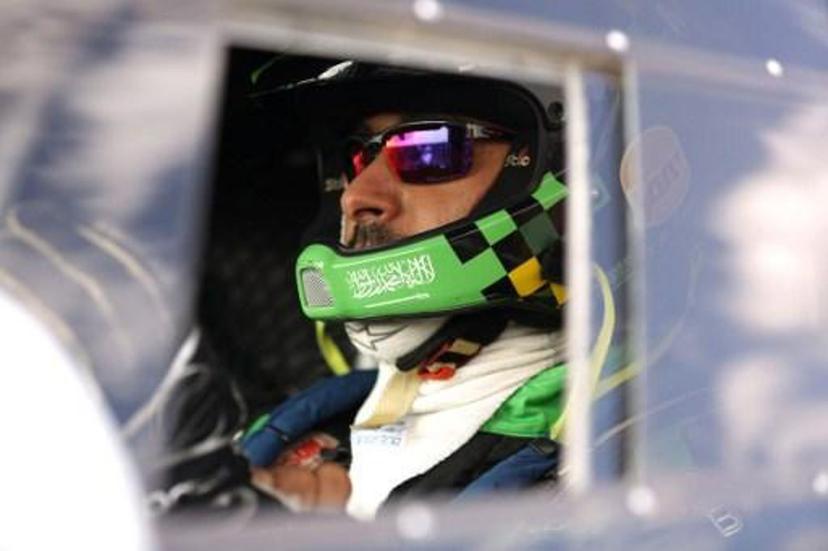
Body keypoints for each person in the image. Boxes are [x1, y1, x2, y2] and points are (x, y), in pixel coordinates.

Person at [239, 60, 568, 520]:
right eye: (359, 157)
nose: (356, 196)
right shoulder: (299, 436)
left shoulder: (627, 467)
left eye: (427, 148)